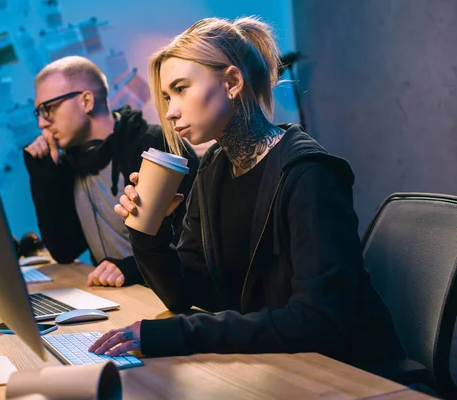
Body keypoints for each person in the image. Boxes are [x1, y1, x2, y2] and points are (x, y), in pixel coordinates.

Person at [89, 17, 405, 369]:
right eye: (166, 96)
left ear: (232, 82)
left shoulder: (308, 174)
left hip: (351, 370)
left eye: (181, 89)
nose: (171, 111)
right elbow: (185, 295)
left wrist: (179, 334)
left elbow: (317, 320)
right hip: (275, 362)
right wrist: (149, 231)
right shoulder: (214, 167)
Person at [24, 56, 198, 287]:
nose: (42, 123)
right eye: (39, 113)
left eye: (49, 108)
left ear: (86, 101)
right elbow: (64, 250)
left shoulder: (156, 146)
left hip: (172, 297)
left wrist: (130, 268)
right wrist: (42, 171)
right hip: (117, 296)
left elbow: (194, 244)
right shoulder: (71, 163)